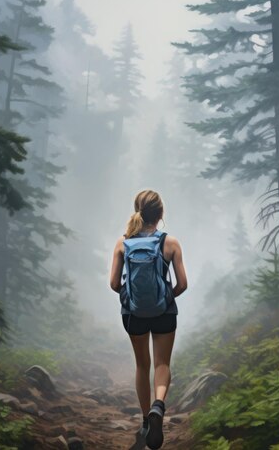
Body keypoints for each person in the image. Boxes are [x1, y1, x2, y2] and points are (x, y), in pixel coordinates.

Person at [109, 189, 188, 450]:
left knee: (142, 365)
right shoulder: (170, 243)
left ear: (137, 211)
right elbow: (182, 284)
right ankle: (158, 406)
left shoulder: (122, 243)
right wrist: (165, 299)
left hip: (134, 314)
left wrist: (131, 299)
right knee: (162, 363)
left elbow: (113, 284)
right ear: (161, 214)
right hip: (164, 313)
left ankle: (145, 421)